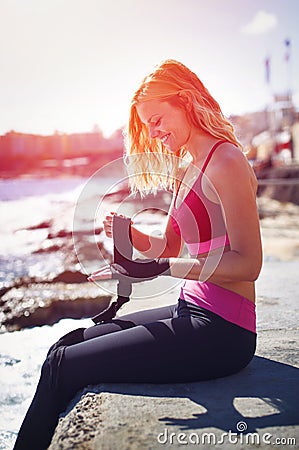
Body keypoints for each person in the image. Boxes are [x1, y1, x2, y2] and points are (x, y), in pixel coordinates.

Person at [13, 59, 262, 450]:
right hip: (190, 311)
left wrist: (162, 265)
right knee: (63, 346)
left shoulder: (226, 161)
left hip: (223, 333)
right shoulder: (188, 165)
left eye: (158, 119)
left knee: (62, 367)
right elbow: (169, 245)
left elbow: (249, 264)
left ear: (186, 101)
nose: (154, 132)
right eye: (148, 125)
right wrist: (133, 236)